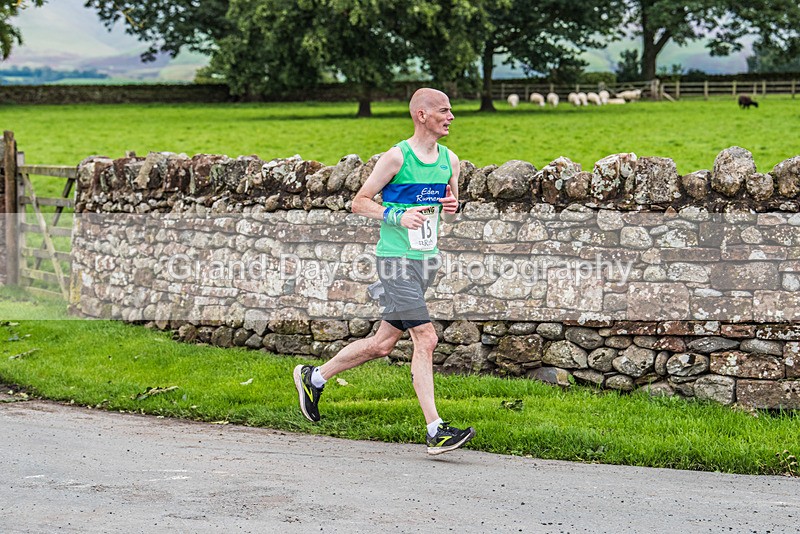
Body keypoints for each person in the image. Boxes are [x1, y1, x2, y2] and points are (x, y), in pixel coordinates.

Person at [293, 88, 475, 455]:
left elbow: (450, 207)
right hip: (395, 262)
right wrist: (397, 215)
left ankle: (313, 377)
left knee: (382, 344)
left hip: (426, 262)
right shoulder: (396, 157)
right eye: (444, 111)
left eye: (451, 111)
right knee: (426, 338)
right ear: (421, 115)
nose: (451, 117)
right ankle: (436, 430)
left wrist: (452, 204)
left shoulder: (451, 161)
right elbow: (358, 203)